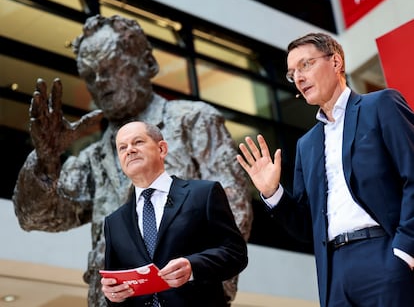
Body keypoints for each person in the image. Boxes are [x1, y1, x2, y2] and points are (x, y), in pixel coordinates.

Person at [12, 15, 252, 307]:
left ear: (147, 63)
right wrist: (47, 160)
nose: (101, 82)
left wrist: (203, 286)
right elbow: (35, 217)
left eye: (111, 67)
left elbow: (234, 208)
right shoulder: (94, 155)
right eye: (90, 75)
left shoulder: (193, 121)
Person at [237, 32, 414, 307]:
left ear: (336, 62)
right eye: (292, 73)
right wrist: (273, 193)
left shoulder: (380, 106)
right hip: (334, 272)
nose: (298, 77)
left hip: (384, 254)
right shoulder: (306, 145)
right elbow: (307, 226)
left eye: (305, 65)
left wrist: (405, 251)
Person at [101, 120, 248, 306]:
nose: (129, 150)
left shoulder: (203, 193)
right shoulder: (114, 222)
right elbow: (116, 283)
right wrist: (113, 295)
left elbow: (235, 253)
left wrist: (192, 266)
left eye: (137, 142)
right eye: (122, 147)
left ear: (162, 149)